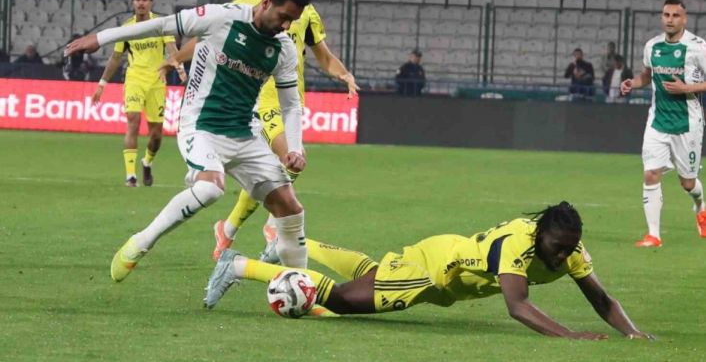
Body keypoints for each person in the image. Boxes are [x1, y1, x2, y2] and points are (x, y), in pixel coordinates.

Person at [65, 0, 313, 286]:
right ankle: (141, 241)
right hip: (200, 125)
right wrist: (101, 38)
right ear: (266, 2)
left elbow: (291, 105)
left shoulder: (284, 48)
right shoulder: (221, 18)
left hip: (245, 132)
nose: (286, 26)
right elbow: (162, 25)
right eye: (284, 16)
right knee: (211, 188)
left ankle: (302, 288)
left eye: (292, 21)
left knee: (291, 209)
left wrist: (295, 148)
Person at [163, 0, 359, 268]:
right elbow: (203, 37)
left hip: (290, 98)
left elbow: (323, 55)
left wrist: (344, 73)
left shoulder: (304, 12)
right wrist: (176, 59)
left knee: (287, 168)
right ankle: (272, 226)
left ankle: (228, 228)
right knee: (289, 159)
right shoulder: (243, 8)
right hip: (257, 100)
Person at [204, 202, 654, 341]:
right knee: (341, 302)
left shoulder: (570, 250)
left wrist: (632, 334)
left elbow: (601, 299)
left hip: (446, 271)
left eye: (569, 249)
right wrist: (570, 336)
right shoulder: (518, 244)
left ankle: (292, 243)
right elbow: (517, 306)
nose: (563, 257)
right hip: (431, 271)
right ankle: (239, 265)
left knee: (375, 272)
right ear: (540, 235)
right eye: (558, 249)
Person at [620, 0, 706, 246]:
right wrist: (633, 83)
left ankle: (701, 207)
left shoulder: (698, 47)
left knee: (687, 183)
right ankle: (654, 235)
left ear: (684, 19)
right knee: (650, 173)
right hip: (657, 122)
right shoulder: (652, 46)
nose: (670, 19)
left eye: (675, 15)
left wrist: (686, 88)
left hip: (687, 123)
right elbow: (647, 75)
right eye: (666, 15)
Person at [90, 0, 180, 188]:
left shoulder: (161, 25)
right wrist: (102, 85)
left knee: (156, 136)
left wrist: (180, 68)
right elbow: (116, 57)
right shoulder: (127, 28)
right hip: (134, 80)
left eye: (144, 0)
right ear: (133, 3)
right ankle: (130, 176)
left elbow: (172, 49)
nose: (141, 3)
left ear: (150, 3)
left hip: (157, 83)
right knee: (133, 121)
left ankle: (147, 162)